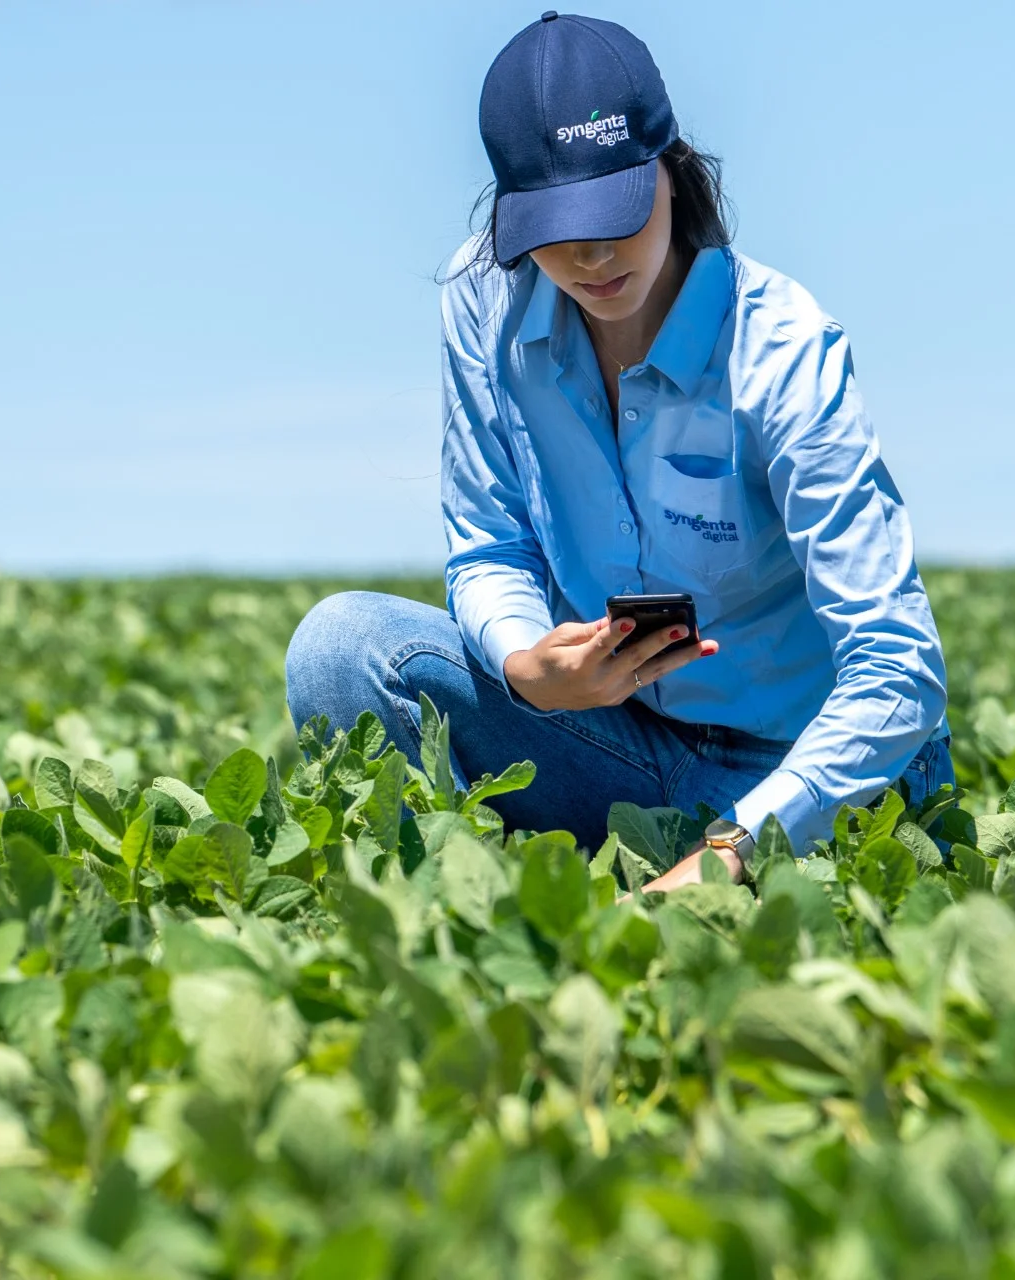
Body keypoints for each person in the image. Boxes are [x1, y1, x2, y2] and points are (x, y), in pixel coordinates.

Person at [285, 11, 951, 891]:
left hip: (812, 780)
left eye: (614, 213)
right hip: (618, 747)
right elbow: (489, 547)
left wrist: (732, 855)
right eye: (554, 226)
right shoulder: (482, 299)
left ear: (671, 167)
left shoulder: (784, 350)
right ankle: (453, 909)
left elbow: (899, 671)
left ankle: (666, 872)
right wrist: (530, 664)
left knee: (749, 890)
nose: (591, 254)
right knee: (339, 647)